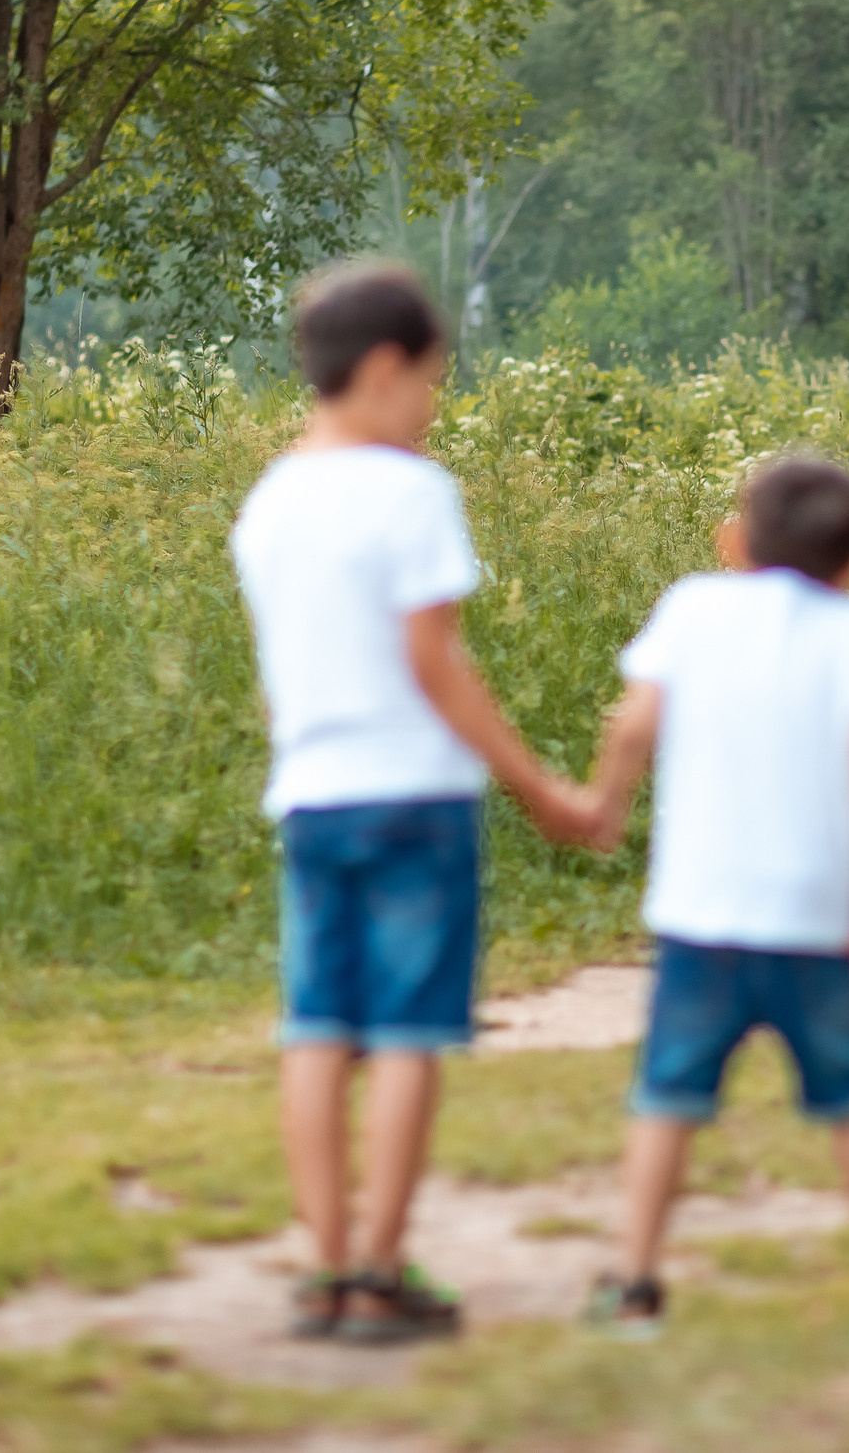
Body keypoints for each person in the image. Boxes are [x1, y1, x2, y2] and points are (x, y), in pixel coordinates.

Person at [230, 260, 596, 1345]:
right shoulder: (411, 491)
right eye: (432, 382)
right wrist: (538, 788)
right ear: (384, 369)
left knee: (316, 1028)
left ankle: (325, 1268)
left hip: (311, 797)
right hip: (416, 798)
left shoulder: (270, 499)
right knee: (403, 1036)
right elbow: (435, 663)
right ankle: (382, 1271)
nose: (434, 407)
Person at [574, 457, 849, 1335]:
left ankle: (635, 1281)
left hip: (703, 914)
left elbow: (635, 720)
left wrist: (604, 803)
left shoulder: (693, 607)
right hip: (809, 915)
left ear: (737, 537)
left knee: (668, 1094)